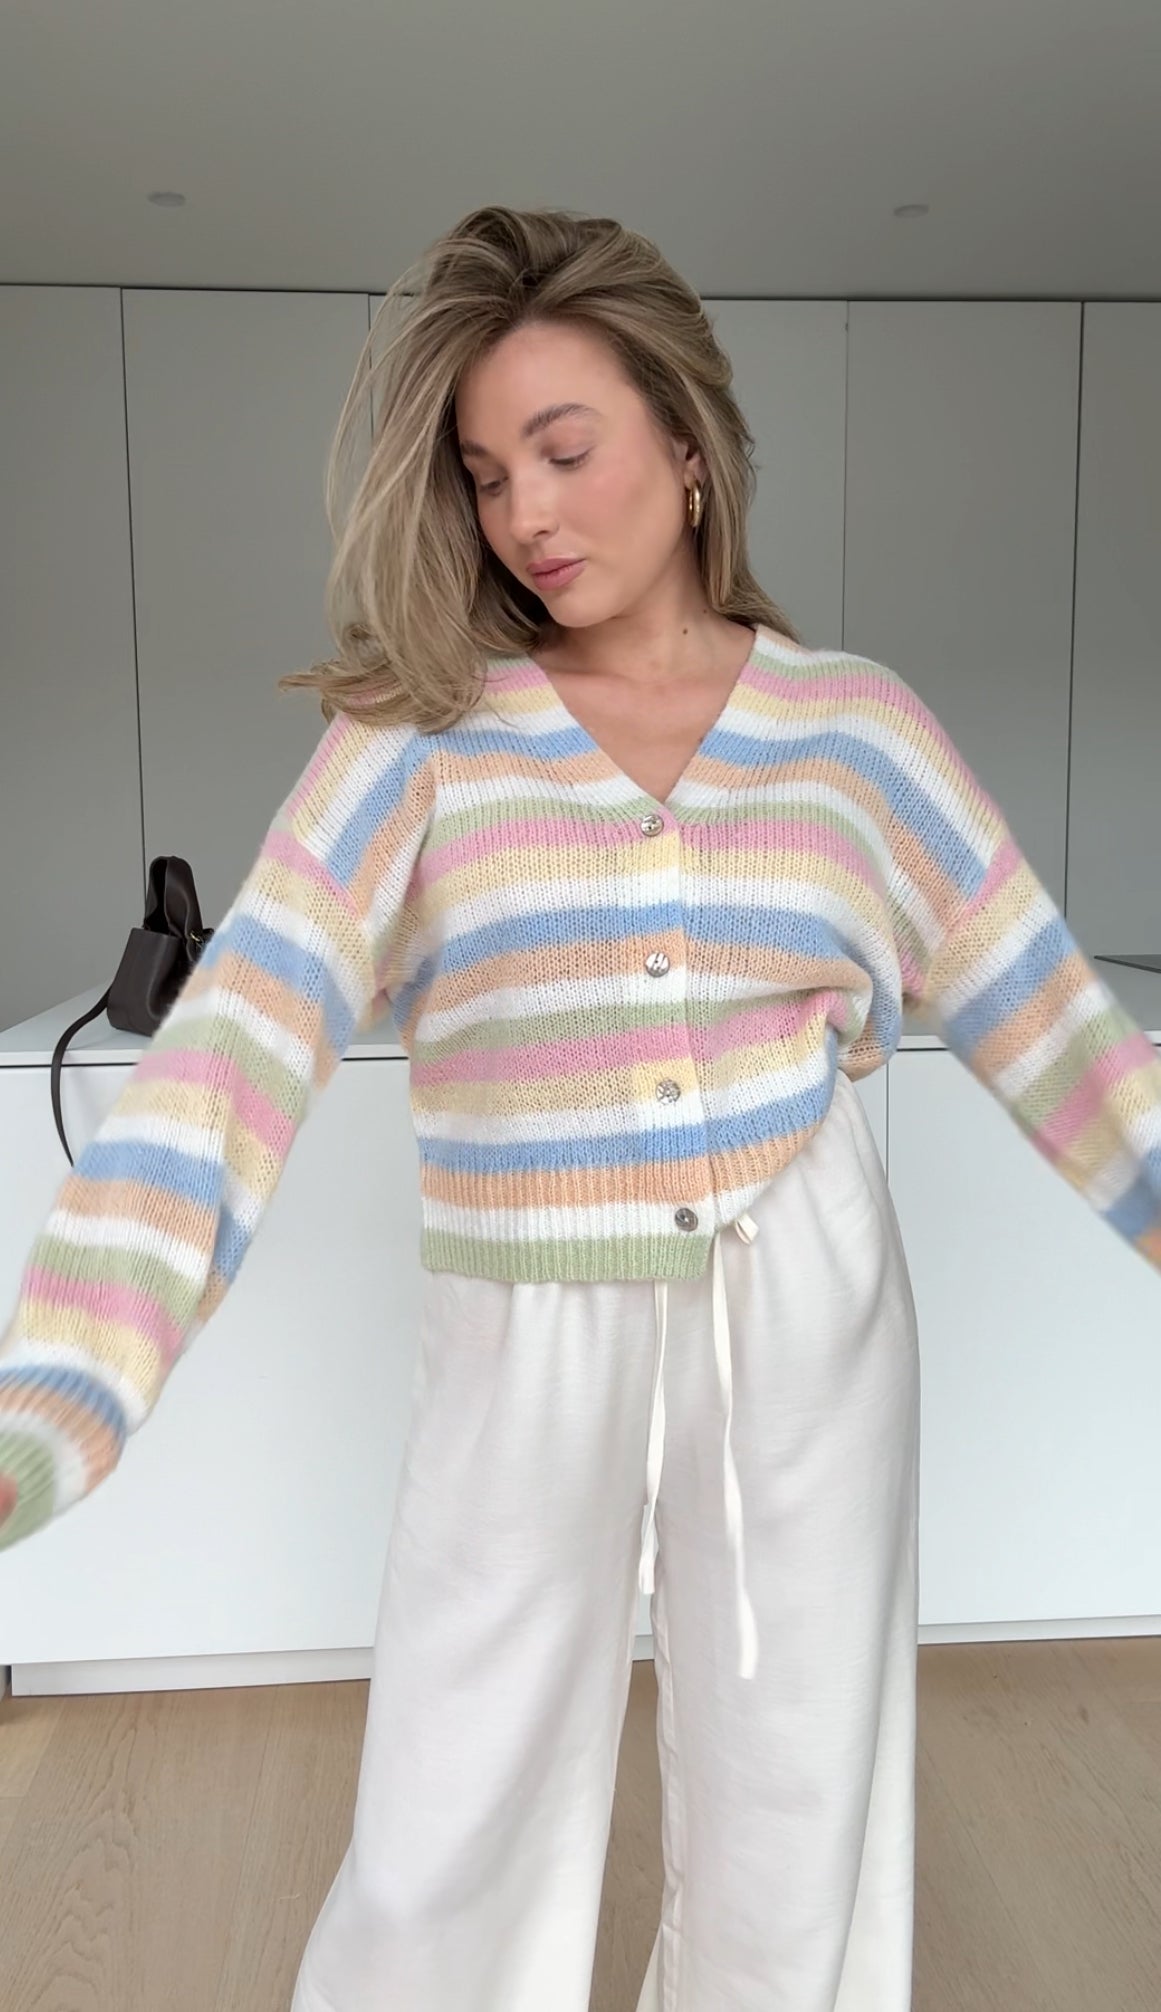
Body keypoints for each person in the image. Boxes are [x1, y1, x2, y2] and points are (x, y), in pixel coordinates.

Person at [2, 205, 1161, 2012]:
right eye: (483, 477)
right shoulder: (416, 738)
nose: (524, 514)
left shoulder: (856, 733)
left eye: (563, 449)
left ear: (687, 450)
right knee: (450, 1818)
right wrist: (50, 1404)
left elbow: (1064, 1034)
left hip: (802, 1307)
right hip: (521, 1320)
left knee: (798, 1813)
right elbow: (228, 1056)